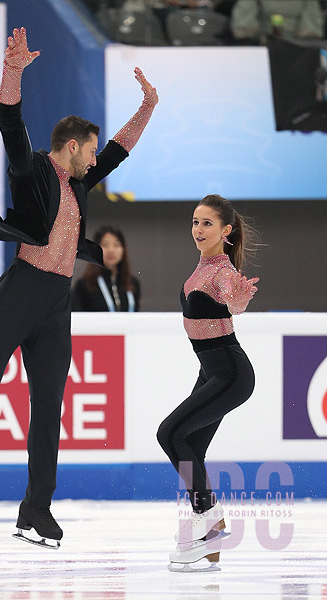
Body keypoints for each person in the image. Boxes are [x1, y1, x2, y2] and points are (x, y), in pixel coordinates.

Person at [0, 27, 158, 548]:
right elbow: (10, 125)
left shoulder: (81, 180)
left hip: (55, 302)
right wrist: (12, 72)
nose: (95, 159)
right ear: (70, 146)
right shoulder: (34, 174)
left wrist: (147, 108)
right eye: (88, 151)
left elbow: (118, 150)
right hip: (20, 291)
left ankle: (36, 509)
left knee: (49, 408)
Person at [156, 194, 259, 570]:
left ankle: (209, 516)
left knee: (169, 434)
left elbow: (234, 302)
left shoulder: (223, 272)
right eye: (196, 222)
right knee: (189, 447)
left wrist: (240, 297)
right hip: (212, 371)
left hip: (231, 373)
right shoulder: (203, 267)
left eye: (207, 224)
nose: (198, 230)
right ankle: (209, 539)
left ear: (225, 230)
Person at [71, 225, 140, 312]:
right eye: (105, 245)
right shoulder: (85, 285)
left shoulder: (132, 284)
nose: (111, 250)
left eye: (116, 245)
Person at [231, 0, 324, 43]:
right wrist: (259, 39)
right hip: (264, 43)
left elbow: (312, 26)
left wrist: (302, 40)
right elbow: (243, 24)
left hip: (299, 46)